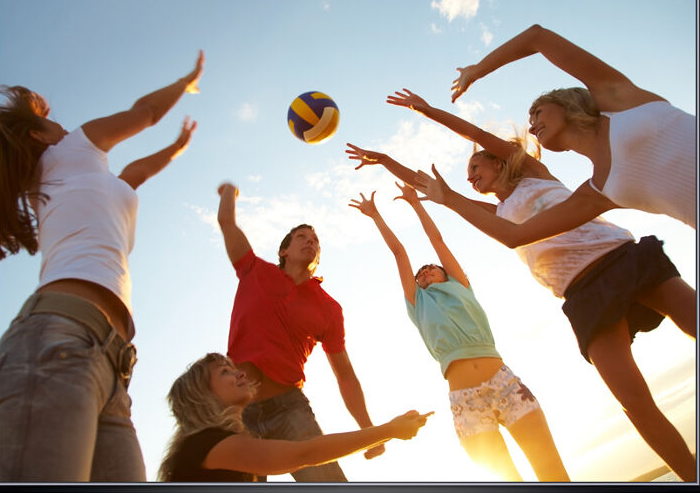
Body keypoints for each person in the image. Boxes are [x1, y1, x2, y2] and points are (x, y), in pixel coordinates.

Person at [346, 102, 696, 481]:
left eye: (475, 168)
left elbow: (475, 134)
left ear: (498, 162)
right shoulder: (496, 215)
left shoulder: (534, 173)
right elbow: (428, 187)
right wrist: (385, 161)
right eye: (467, 175)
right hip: (581, 292)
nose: (470, 178)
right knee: (635, 404)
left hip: (622, 257)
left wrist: (427, 110)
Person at [0, 50, 204, 482]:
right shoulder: (70, 151)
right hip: (59, 343)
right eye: (54, 122)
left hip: (111, 363)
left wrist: (177, 148)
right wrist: (187, 80)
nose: (66, 125)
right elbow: (144, 112)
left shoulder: (74, 176)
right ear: (38, 137)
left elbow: (136, 174)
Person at [348, 184, 569, 481]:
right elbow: (399, 253)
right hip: (465, 401)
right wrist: (375, 215)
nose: (424, 272)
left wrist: (416, 203)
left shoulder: (460, 285)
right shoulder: (418, 303)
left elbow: (436, 239)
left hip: (504, 384)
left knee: (550, 470)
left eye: (431, 269)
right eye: (420, 274)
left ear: (446, 274)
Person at [447, 23, 695, 233]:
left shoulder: (619, 100)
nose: (532, 128)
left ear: (563, 102)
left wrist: (476, 70)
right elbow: (517, 236)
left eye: (537, 113)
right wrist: (444, 197)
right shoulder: (599, 190)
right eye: (530, 123)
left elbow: (537, 36)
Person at [216, 182, 385, 482]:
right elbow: (227, 223)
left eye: (315, 240)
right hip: (236, 413)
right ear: (284, 250)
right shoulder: (254, 270)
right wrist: (229, 192)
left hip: (290, 410)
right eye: (301, 237)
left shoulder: (328, 308)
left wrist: (368, 429)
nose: (310, 241)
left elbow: (344, 374)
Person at [158, 352, 432, 482]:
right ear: (202, 395)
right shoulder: (207, 446)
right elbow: (306, 453)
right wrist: (389, 430)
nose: (239, 372)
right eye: (224, 373)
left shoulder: (218, 445)